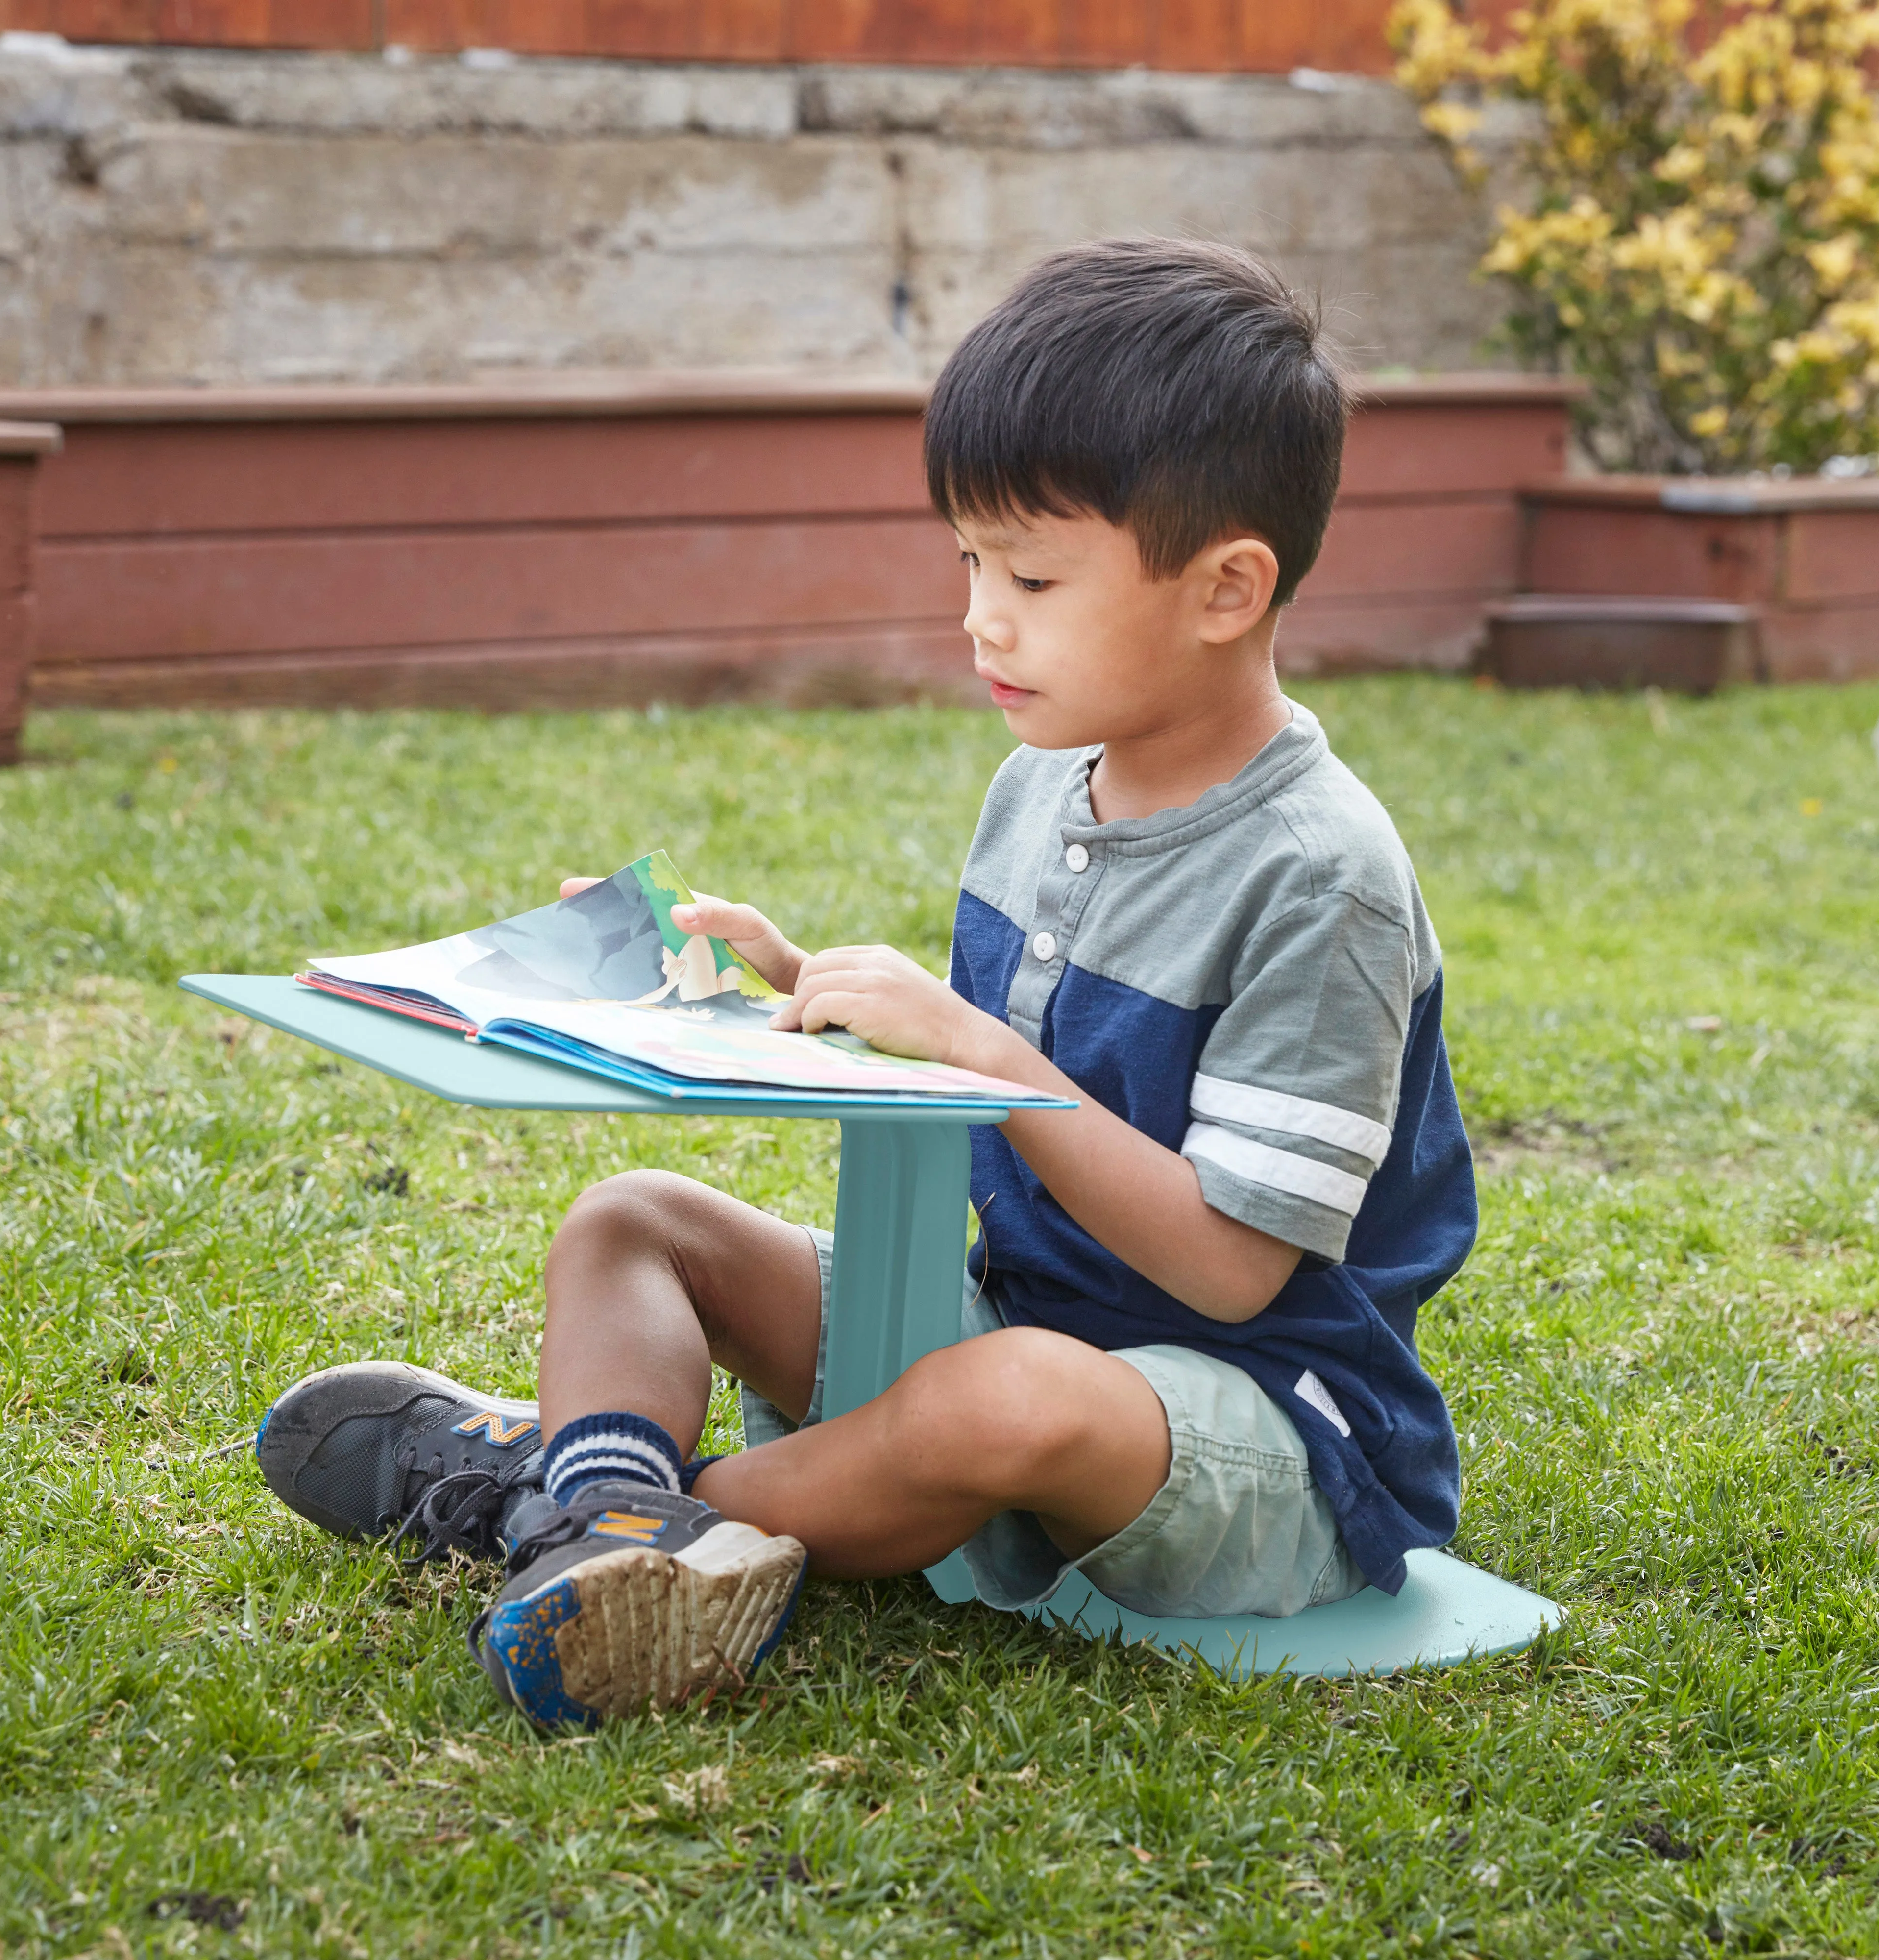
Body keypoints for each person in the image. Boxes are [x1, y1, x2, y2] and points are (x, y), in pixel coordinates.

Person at [255, 238, 1478, 1726]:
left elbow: (1231, 1268)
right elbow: (985, 1069)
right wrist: (783, 978)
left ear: (1228, 589)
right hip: (1007, 1318)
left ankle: (567, 1502)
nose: (982, 614)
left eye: (1032, 573)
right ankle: (609, 1523)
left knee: (1006, 1393)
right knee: (634, 1223)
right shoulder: (1045, 789)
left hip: (1260, 1434)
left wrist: (973, 1051)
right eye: (969, 560)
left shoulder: (1324, 876)